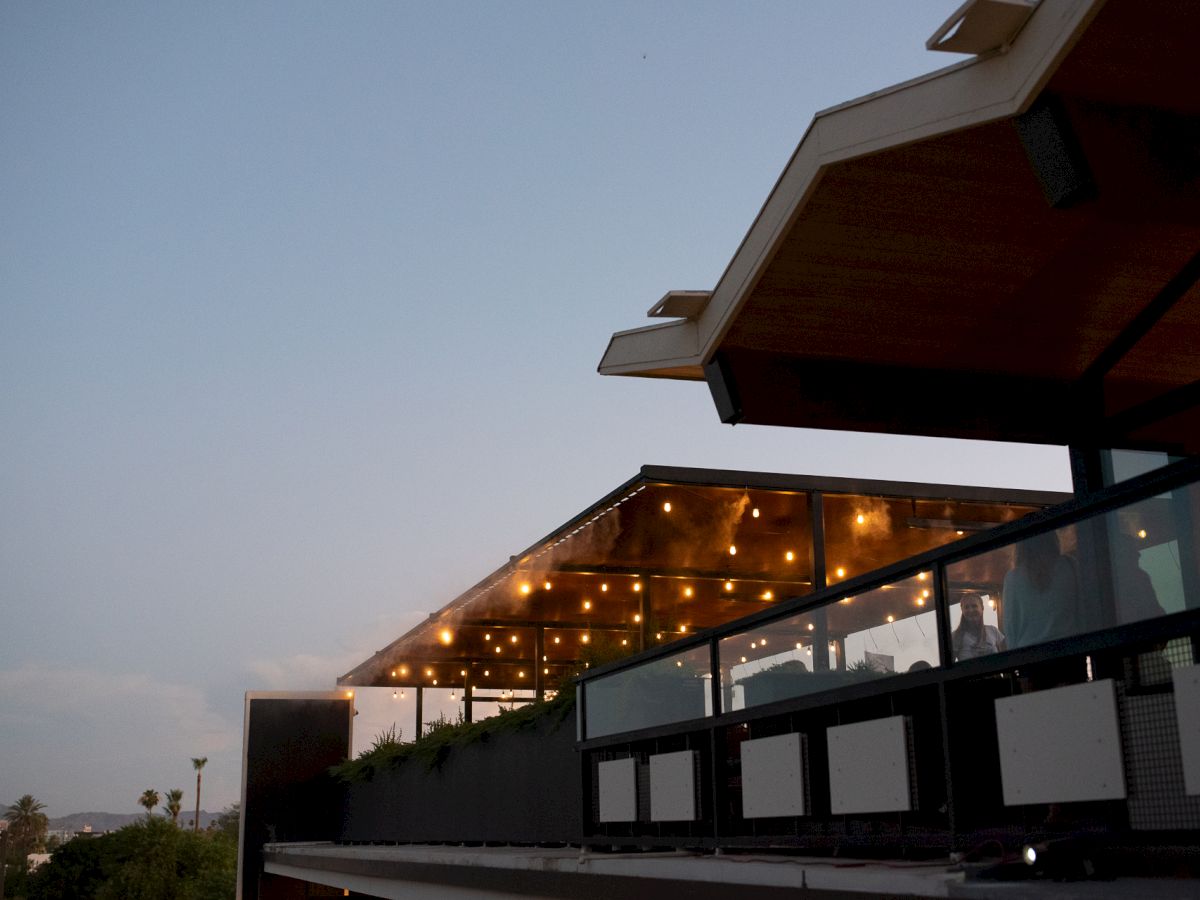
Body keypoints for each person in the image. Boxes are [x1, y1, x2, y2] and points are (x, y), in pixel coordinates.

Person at [1001, 530, 1081, 649]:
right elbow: (1083, 608)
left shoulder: (1013, 578)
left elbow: (1011, 626)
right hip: (1069, 648)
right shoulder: (1069, 565)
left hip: (1030, 654)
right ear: (1052, 538)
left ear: (1021, 546)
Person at [952, 594, 1006, 660]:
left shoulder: (993, 631)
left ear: (982, 608)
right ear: (962, 610)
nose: (970, 610)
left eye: (974, 606)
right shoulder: (955, 636)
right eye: (966, 607)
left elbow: (1006, 657)